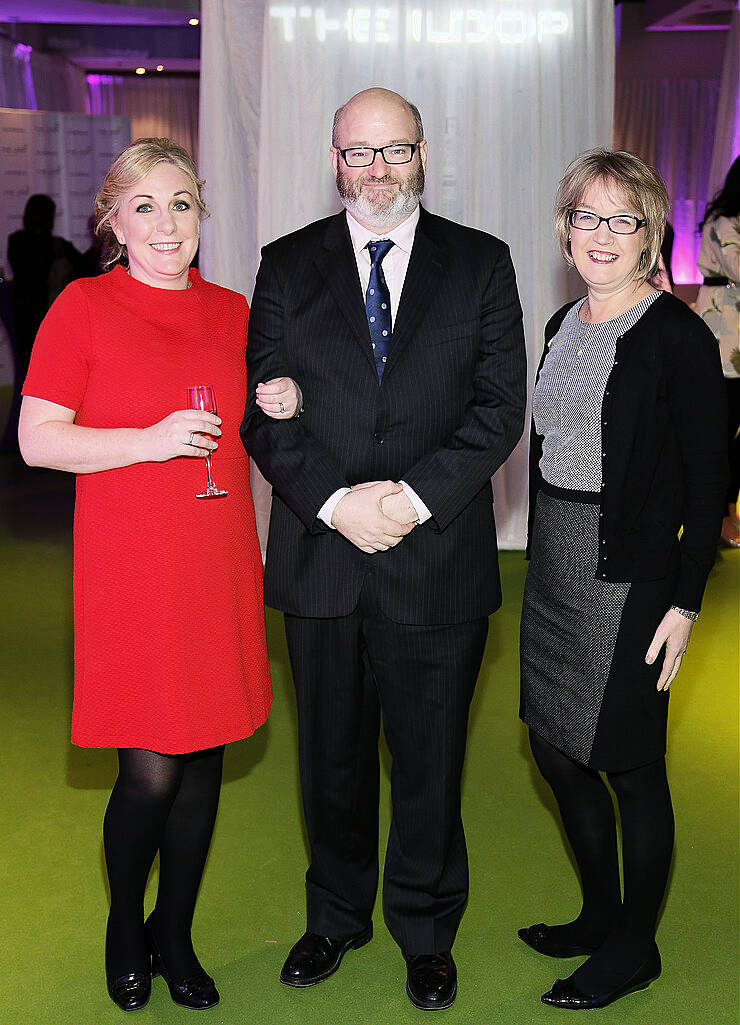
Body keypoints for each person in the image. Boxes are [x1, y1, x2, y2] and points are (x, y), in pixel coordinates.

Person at [241, 87, 526, 1010]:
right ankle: (334, 918)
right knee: (329, 758)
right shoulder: (284, 266)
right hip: (321, 559)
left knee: (431, 759)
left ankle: (425, 928)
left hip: (434, 560)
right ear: (334, 159)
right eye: (358, 153)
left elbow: (496, 411)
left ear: (423, 153)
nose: (376, 170)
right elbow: (263, 406)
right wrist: (334, 504)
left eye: (393, 150)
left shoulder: (482, 264)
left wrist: (401, 501)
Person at [18, 138, 299, 1013]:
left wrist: (278, 399)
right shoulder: (83, 305)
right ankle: (123, 925)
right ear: (113, 221)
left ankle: (175, 930)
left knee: (206, 750)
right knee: (148, 768)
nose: (165, 223)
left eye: (181, 204)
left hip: (214, 554)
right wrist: (146, 439)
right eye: (145, 206)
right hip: (132, 564)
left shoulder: (230, 310)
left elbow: (251, 416)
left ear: (201, 215)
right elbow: (37, 438)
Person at [518, 150, 727, 1011]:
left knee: (632, 766)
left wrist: (685, 599)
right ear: (566, 227)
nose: (601, 235)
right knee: (554, 748)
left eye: (622, 219)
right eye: (586, 216)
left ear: (651, 235)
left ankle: (636, 945)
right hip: (558, 565)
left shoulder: (678, 336)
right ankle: (600, 912)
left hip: (633, 572)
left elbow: (711, 476)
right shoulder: (562, 322)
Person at [695, 156, 740, 547]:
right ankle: (719, 515)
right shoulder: (726, 223)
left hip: (735, 333)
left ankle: (727, 509)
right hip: (724, 336)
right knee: (721, 432)